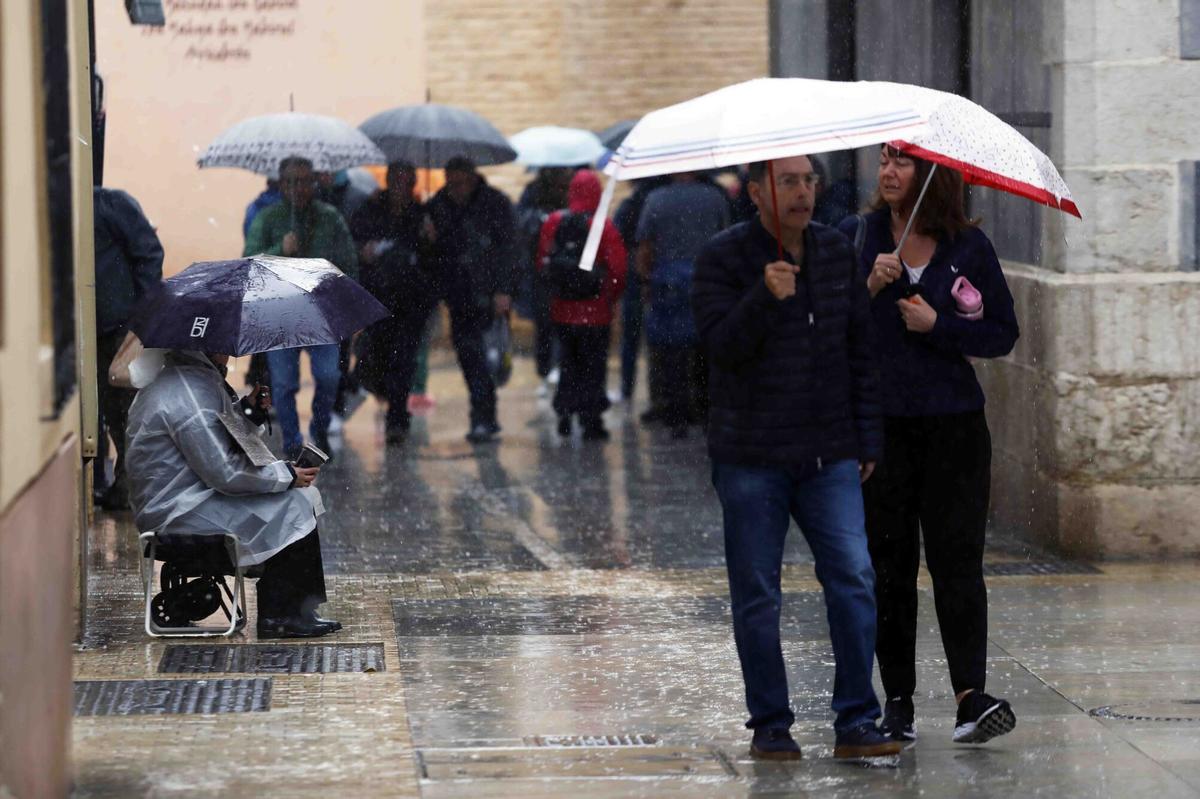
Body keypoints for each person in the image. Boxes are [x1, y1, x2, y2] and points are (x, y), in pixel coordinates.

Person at [691, 155, 900, 761]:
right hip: (751, 457)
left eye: (810, 181)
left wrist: (867, 438)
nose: (804, 192)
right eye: (789, 182)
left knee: (854, 577)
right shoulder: (724, 257)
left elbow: (859, 349)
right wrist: (764, 295)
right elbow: (717, 351)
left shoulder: (836, 252)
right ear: (757, 193)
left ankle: (857, 719)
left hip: (828, 452)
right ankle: (771, 725)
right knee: (758, 593)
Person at [838, 145, 1020, 745]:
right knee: (888, 569)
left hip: (955, 430)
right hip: (883, 430)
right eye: (884, 161)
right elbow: (826, 326)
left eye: (903, 163)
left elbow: (1002, 334)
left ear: (934, 176)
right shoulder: (858, 236)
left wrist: (938, 326)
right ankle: (898, 702)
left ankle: (971, 697)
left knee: (957, 563)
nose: (888, 172)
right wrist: (867, 286)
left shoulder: (969, 246)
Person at [125, 348, 340, 638]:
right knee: (295, 503)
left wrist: (249, 413)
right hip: (179, 512)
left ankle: (295, 608)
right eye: (223, 344)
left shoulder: (191, 382)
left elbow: (217, 441)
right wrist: (286, 476)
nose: (230, 351)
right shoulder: (188, 394)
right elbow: (225, 471)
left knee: (296, 501)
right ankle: (282, 614)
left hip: (183, 502)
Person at [244, 156, 358, 460]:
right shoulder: (268, 218)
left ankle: (320, 431)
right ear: (282, 184)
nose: (299, 188)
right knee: (283, 384)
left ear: (315, 182)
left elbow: (348, 263)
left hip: (321, 313)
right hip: (279, 313)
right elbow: (248, 261)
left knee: (329, 376)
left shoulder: (330, 217)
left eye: (306, 180)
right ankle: (292, 442)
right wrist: (282, 250)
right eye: (292, 181)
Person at [427, 155, 518, 443]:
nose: (457, 189)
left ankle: (483, 415)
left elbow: (509, 249)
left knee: (483, 355)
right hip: (458, 294)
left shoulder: (495, 203)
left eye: (461, 183)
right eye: (452, 183)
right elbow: (438, 252)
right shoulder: (438, 206)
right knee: (470, 356)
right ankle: (483, 414)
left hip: (489, 294)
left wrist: (504, 289)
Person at [348, 160, 438, 443]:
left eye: (406, 182)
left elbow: (433, 260)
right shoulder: (370, 211)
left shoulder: (422, 215)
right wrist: (364, 252)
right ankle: (376, 396)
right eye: (396, 182)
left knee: (405, 359)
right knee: (376, 354)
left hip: (412, 301)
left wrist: (430, 240)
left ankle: (397, 419)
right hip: (377, 298)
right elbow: (354, 246)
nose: (401, 188)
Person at [636, 171, 729, 437]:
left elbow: (645, 245)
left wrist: (645, 281)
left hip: (668, 284)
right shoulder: (715, 197)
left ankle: (676, 414)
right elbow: (726, 238)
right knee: (706, 347)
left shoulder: (656, 199)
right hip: (709, 280)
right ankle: (706, 411)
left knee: (671, 350)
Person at [536, 169, 627, 440]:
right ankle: (591, 421)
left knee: (568, 362)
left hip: (562, 310)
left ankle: (564, 413)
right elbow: (618, 269)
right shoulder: (603, 226)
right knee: (593, 366)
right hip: (595, 311)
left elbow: (543, 262)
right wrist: (609, 297)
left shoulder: (554, 221)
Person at [93, 187, 164, 510]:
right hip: (95, 330)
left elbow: (149, 253)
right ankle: (127, 488)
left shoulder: (109, 204)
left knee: (130, 413)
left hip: (123, 329)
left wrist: (141, 317)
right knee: (115, 412)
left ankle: (134, 490)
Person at [613, 175, 670, 407]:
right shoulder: (663, 199)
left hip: (635, 279)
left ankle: (627, 389)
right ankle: (661, 396)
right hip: (665, 275)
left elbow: (618, 239)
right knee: (665, 339)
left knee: (631, 338)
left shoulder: (632, 203)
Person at [517, 167, 573, 394]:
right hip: (540, 269)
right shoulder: (533, 193)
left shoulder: (568, 193)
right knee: (544, 323)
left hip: (562, 268)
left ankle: (558, 367)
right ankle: (544, 371)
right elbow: (522, 223)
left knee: (560, 322)